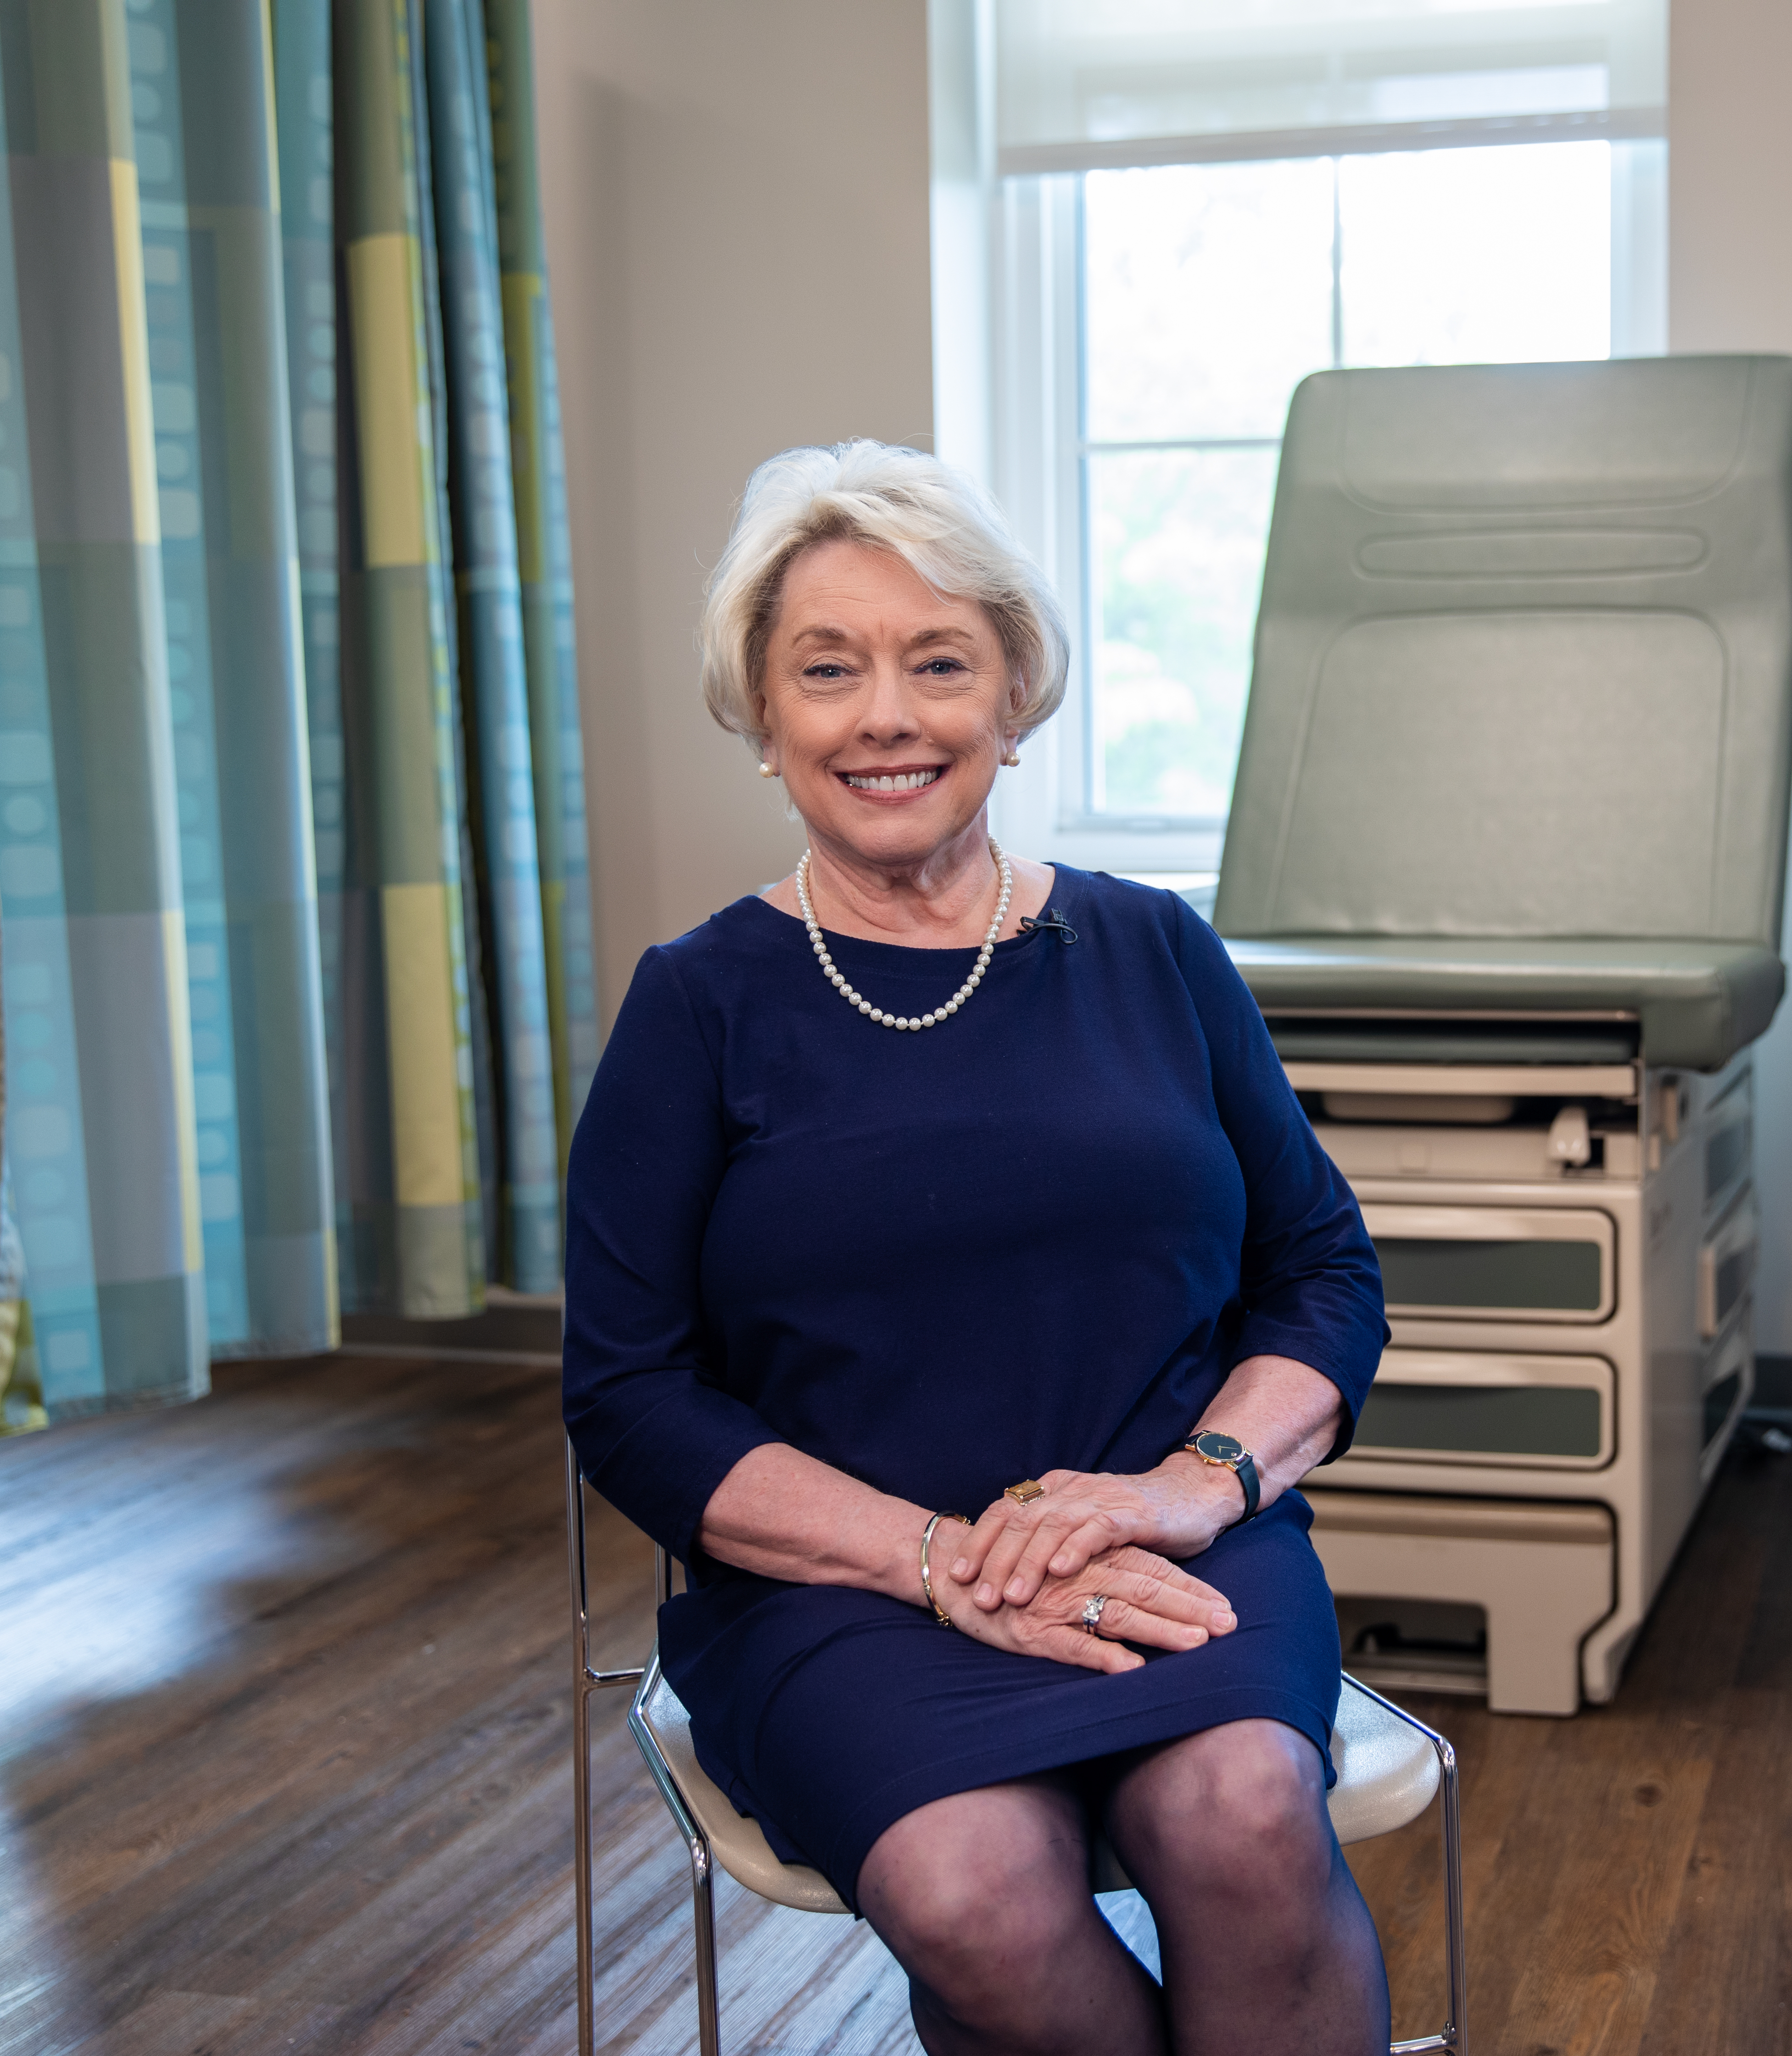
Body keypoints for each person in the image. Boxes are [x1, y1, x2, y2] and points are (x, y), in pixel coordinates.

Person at [562, 440, 1394, 2056]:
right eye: (829, 670)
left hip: (1171, 1548)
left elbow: (1323, 1274)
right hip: (840, 1592)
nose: (887, 716)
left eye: (939, 663)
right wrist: (937, 1561)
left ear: (1014, 701)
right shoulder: (698, 1005)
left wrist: (1188, 1488)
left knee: (1240, 1813)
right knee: (969, 1886)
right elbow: (632, 1394)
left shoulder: (1155, 949)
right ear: (765, 717)